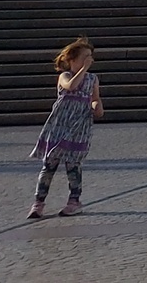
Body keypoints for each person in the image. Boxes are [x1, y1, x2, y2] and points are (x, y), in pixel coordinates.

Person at [26, 38, 102, 219]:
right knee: (49, 164)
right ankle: (39, 202)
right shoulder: (65, 76)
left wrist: (96, 106)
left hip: (79, 125)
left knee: (73, 165)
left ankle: (74, 201)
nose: (89, 61)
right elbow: (71, 86)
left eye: (90, 57)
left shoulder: (93, 79)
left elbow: (95, 97)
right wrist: (83, 70)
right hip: (60, 124)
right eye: (85, 57)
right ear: (72, 60)